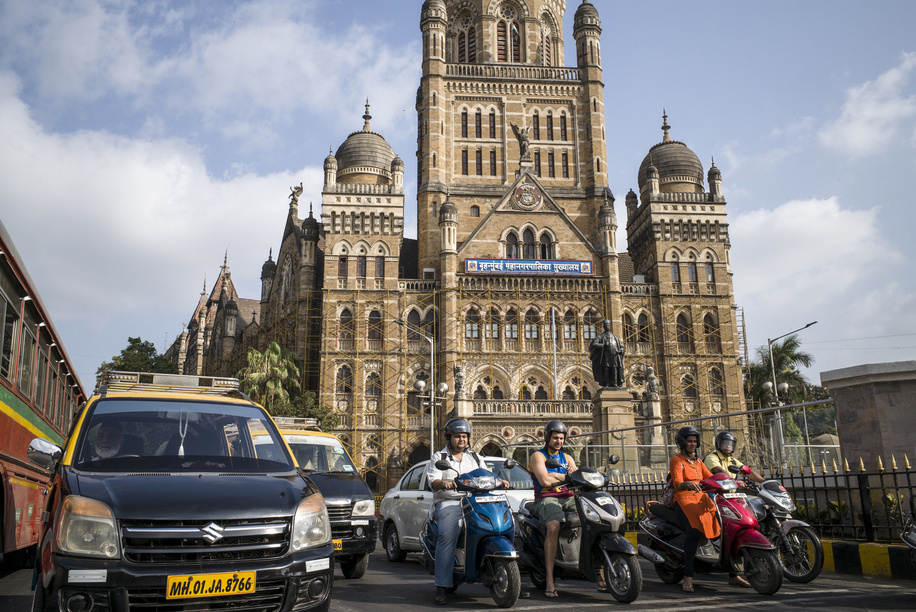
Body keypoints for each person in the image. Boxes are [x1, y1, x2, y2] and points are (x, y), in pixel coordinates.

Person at [425, 418, 487, 605]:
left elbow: (486, 475)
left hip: (474, 502)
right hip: (449, 502)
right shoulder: (439, 458)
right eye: (457, 436)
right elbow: (432, 481)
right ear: (449, 437)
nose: (461, 440)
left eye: (464, 436)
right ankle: (442, 586)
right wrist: (443, 483)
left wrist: (500, 481)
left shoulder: (475, 458)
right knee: (448, 533)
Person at [528, 420, 582, 598]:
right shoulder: (538, 456)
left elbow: (576, 477)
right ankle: (550, 579)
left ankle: (597, 570)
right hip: (546, 497)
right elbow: (544, 481)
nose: (559, 441)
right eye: (555, 438)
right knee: (553, 526)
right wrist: (565, 477)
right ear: (547, 437)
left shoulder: (567, 458)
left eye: (561, 438)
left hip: (568, 498)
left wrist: (558, 475)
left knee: (592, 518)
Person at [669, 426, 720, 593]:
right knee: (693, 532)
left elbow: (710, 478)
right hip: (683, 499)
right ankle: (688, 576)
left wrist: (728, 481)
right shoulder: (677, 460)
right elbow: (677, 484)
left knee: (721, 526)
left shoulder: (698, 462)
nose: (693, 444)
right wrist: (687, 484)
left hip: (701, 498)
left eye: (695, 441)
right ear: (682, 443)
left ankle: (733, 573)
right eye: (690, 441)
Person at [589, 319, 625, 388]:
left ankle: (614, 383)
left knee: (614, 369)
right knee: (606, 369)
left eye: (608, 325)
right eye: (606, 325)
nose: (607, 326)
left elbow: (621, 347)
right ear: (603, 326)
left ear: (610, 326)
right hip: (605, 356)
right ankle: (607, 383)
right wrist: (603, 344)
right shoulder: (600, 336)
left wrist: (621, 350)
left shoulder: (615, 338)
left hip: (615, 356)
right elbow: (593, 345)